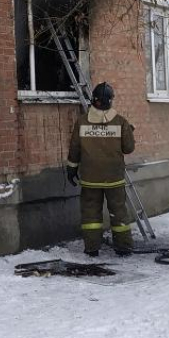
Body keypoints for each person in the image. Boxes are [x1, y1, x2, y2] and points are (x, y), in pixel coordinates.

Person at [66, 82, 136, 257]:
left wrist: (71, 169)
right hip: (114, 178)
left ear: (93, 100)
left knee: (91, 214)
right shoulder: (120, 122)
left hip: (90, 178)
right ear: (111, 101)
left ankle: (92, 248)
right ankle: (123, 247)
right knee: (119, 212)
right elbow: (128, 148)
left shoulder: (82, 122)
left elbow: (74, 148)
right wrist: (129, 131)